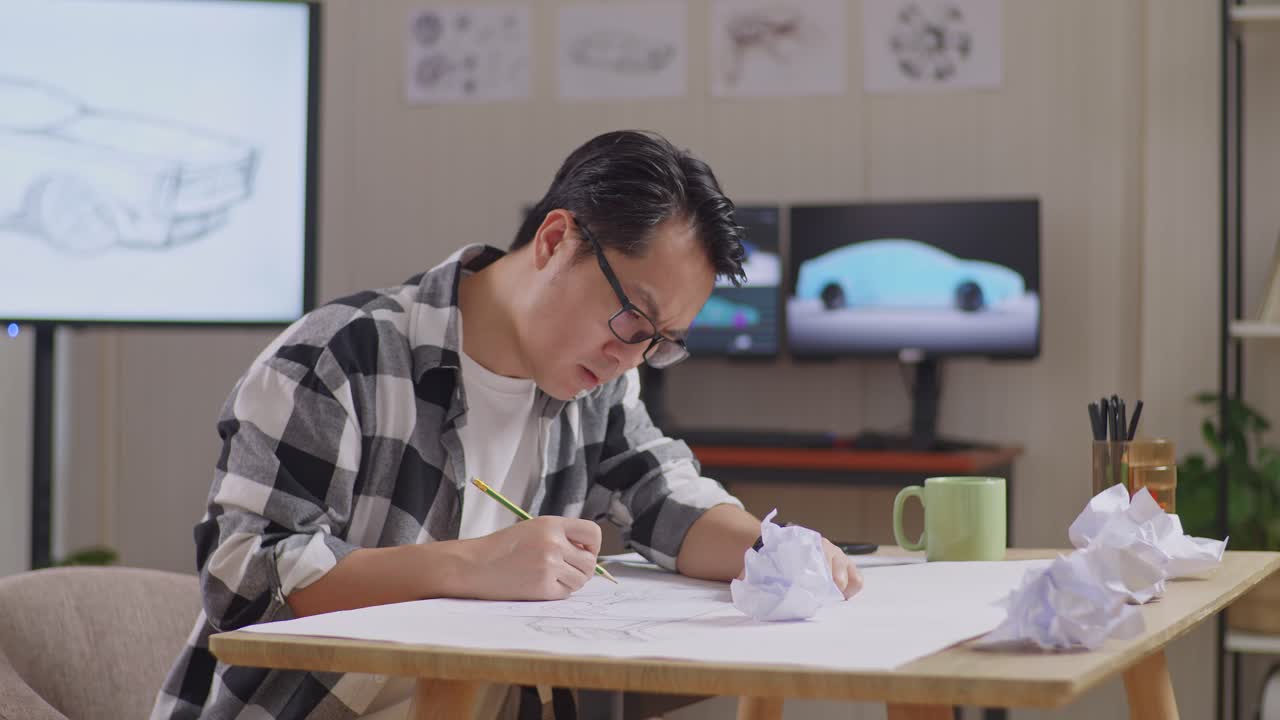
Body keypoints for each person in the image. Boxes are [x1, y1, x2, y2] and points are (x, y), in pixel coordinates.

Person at [152, 129, 863, 720]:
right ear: (556, 240)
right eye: (631, 318)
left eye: (661, 340)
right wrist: (471, 566)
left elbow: (669, 502)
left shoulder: (598, 386)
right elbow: (242, 575)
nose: (631, 355)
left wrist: (780, 553)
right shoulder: (342, 357)